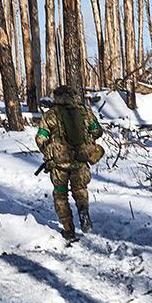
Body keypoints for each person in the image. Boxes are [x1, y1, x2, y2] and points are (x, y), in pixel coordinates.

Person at [36, 85, 104, 241]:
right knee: (80, 189)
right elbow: (97, 131)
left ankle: (68, 230)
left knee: (60, 195)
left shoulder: (50, 116)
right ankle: (83, 210)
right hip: (80, 160)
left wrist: (48, 153)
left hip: (59, 164)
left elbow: (40, 138)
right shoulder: (84, 112)